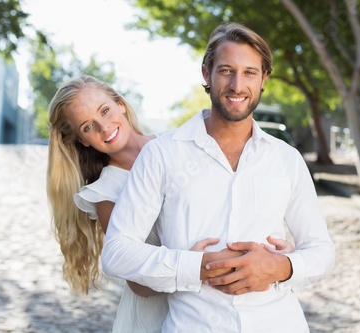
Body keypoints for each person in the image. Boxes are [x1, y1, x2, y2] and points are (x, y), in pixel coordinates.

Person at [102, 22, 335, 332]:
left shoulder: (286, 160)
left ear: (264, 78)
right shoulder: (161, 154)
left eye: (250, 72)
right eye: (226, 70)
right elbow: (116, 253)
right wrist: (196, 267)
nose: (237, 85)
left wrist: (280, 266)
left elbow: (322, 251)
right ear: (206, 73)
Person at [46, 75, 294, 332]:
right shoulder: (107, 194)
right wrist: (192, 265)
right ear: (82, 140)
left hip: (215, 307)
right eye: (88, 127)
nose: (104, 127)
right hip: (161, 314)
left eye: (105, 111)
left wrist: (274, 251)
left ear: (120, 104)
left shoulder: (177, 146)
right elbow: (137, 283)